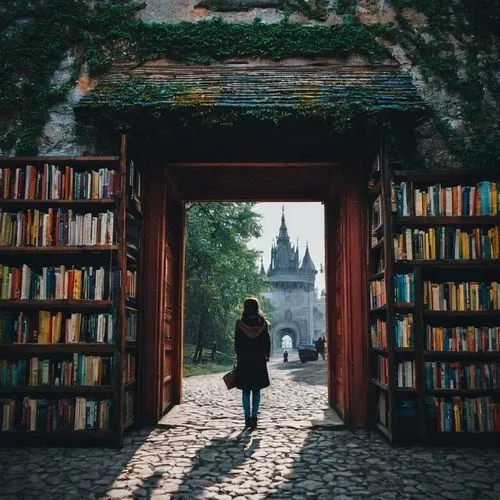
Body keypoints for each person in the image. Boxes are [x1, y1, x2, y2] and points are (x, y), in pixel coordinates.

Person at [234, 297, 271, 430]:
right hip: (258, 360)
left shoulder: (240, 323)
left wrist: (239, 355)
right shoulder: (263, 323)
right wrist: (267, 355)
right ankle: (254, 418)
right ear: (257, 307)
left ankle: (246, 418)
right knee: (256, 390)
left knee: (245, 391)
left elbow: (237, 343)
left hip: (244, 360)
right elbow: (267, 341)